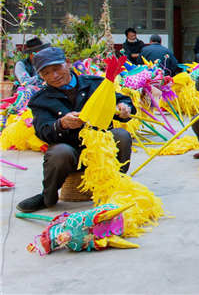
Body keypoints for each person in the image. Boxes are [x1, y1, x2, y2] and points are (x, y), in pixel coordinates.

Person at [16, 47, 135, 213]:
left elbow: (122, 102)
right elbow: (43, 131)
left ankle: (118, 186)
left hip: (101, 150)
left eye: (56, 69)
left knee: (121, 135)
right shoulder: (40, 100)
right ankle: (47, 197)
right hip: (70, 153)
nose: (54, 76)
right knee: (60, 152)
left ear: (67, 63)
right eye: (46, 73)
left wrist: (124, 108)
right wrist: (61, 124)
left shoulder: (95, 84)